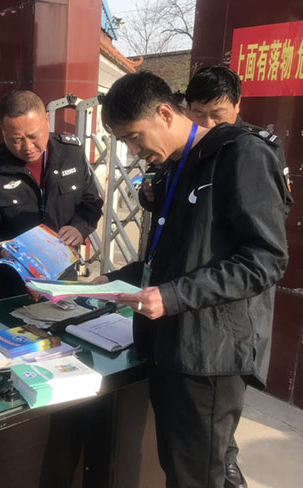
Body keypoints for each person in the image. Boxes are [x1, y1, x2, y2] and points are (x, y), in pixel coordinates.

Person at [96, 71, 289, 488]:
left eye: (134, 137)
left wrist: (173, 296)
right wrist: (109, 280)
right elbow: (176, 256)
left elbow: (265, 259)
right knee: (193, 468)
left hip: (207, 354)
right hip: (168, 344)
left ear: (165, 113)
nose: (133, 151)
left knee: (197, 476)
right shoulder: (175, 165)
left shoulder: (242, 154)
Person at [0, 89, 103, 298]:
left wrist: (79, 227)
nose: (27, 147)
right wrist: (3, 251)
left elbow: (91, 200)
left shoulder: (71, 152)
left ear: (47, 120)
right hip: (13, 282)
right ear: (2, 132)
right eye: (15, 139)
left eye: (33, 136)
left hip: (63, 275)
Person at [141, 65, 293, 217]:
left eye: (217, 115)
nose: (208, 124)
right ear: (188, 108)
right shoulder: (181, 139)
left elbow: (280, 204)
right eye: (199, 113)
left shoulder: (259, 146)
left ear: (237, 105)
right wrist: (149, 193)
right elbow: (154, 174)